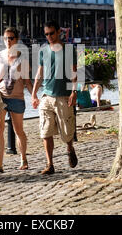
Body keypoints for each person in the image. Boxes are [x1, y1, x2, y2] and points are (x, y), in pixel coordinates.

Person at [31, 21, 78, 175]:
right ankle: (50, 164)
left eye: (51, 33)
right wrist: (33, 93)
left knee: (67, 132)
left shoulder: (70, 50)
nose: (49, 37)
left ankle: (70, 148)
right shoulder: (43, 51)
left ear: (59, 32)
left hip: (64, 96)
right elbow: (40, 73)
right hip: (46, 96)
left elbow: (75, 72)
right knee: (46, 131)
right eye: (46, 34)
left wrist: (73, 92)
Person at [0, 27, 33, 173]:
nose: (8, 41)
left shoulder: (22, 59)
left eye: (11, 38)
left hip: (17, 98)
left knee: (19, 130)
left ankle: (23, 159)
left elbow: (27, 82)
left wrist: (35, 96)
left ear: (17, 40)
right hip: (0, 97)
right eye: (6, 38)